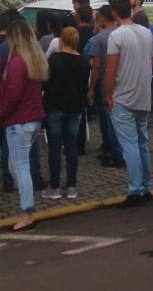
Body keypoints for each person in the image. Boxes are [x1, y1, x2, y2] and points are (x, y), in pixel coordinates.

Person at [105, 0, 153, 209]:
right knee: (142, 143)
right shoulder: (145, 33)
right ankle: (146, 186)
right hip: (143, 94)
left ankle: (135, 189)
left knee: (130, 145)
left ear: (114, 12)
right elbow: (151, 62)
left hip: (123, 96)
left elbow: (111, 70)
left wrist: (108, 95)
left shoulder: (116, 36)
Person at [0, 19, 47, 231]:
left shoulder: (17, 62)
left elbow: (13, 94)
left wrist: (1, 114)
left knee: (19, 167)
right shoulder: (34, 59)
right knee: (18, 165)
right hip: (32, 118)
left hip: (19, 120)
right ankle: (26, 207)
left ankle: (27, 212)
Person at [42, 27, 90, 201]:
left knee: (54, 148)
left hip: (55, 107)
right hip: (75, 107)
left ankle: (54, 186)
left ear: (61, 40)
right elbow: (84, 85)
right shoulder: (84, 61)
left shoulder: (53, 60)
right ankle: (71, 186)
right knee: (71, 147)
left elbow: (45, 83)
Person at [91, 6, 124, 168]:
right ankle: (119, 149)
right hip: (123, 81)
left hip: (106, 82)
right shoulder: (122, 33)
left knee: (109, 119)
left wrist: (91, 87)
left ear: (103, 18)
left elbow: (96, 66)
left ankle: (114, 150)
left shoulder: (99, 38)